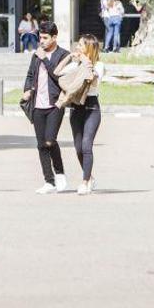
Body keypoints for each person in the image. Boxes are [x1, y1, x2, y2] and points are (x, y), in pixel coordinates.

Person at [22, 21, 70, 194]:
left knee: (50, 140)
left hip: (55, 104)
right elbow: (29, 75)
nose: (41, 41)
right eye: (40, 37)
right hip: (37, 105)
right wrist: (27, 90)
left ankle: (60, 173)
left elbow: (60, 78)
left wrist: (44, 59)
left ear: (54, 37)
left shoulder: (64, 55)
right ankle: (49, 181)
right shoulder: (36, 55)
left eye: (45, 38)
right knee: (41, 144)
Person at [55, 34, 104, 195]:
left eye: (81, 45)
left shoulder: (98, 65)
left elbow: (92, 79)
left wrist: (83, 60)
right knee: (78, 147)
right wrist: (69, 57)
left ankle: (84, 182)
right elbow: (57, 72)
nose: (77, 48)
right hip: (76, 108)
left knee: (86, 145)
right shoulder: (76, 65)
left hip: (91, 108)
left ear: (89, 48)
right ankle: (89, 176)